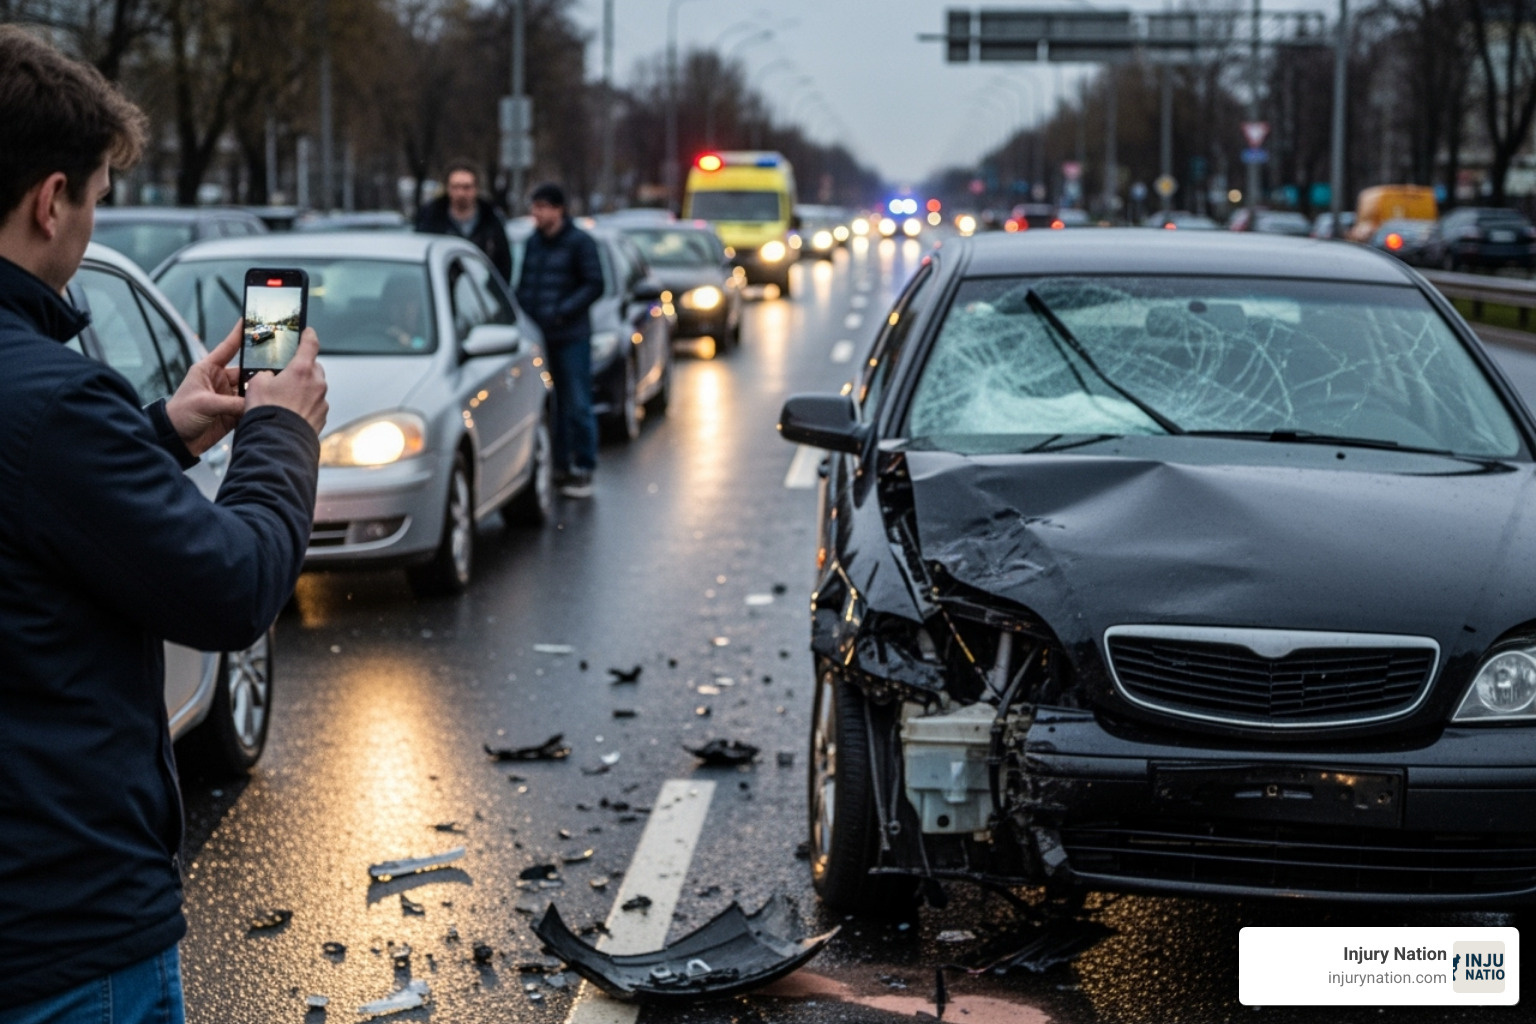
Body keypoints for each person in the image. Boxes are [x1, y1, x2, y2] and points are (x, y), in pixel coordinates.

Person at [0, 25, 328, 1022]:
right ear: (50, 199)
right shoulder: (52, 399)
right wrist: (280, 434)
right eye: (97, 197)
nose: (92, 223)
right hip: (62, 938)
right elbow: (230, 587)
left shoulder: (47, 413)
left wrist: (162, 432)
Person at [516, 182, 604, 498]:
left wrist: (562, 311)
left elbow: (595, 284)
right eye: (534, 207)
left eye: (541, 207)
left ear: (558, 209)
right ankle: (560, 465)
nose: (536, 214)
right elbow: (526, 284)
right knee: (552, 406)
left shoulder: (580, 243)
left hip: (570, 336)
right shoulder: (533, 244)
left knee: (577, 402)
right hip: (540, 337)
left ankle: (583, 467)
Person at [414, 158, 513, 281]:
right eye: (455, 187)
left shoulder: (491, 221)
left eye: (466, 187)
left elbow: (503, 266)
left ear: (476, 189)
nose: (461, 193)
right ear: (448, 189)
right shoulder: (431, 219)